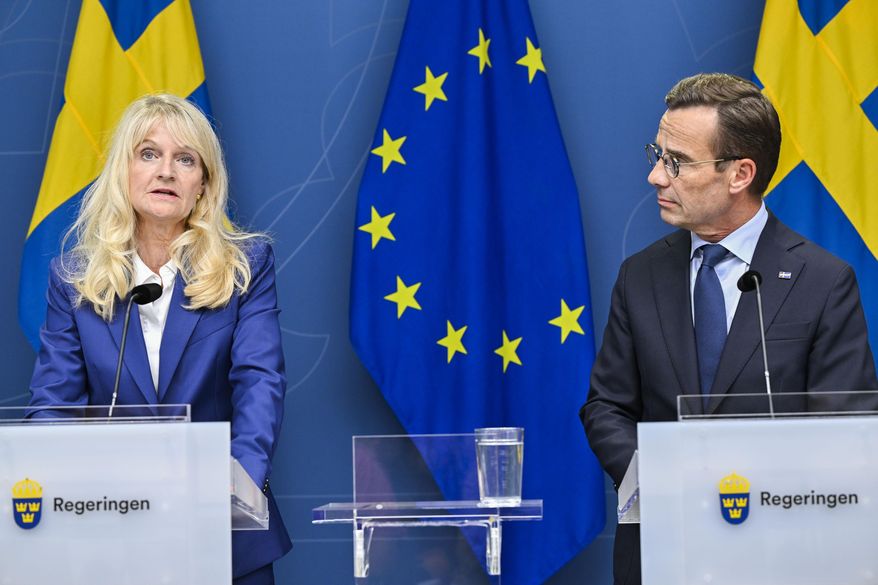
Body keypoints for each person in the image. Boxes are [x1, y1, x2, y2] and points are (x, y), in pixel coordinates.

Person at [581, 73, 878, 585]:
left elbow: (845, 429)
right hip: (662, 550)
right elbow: (607, 406)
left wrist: (749, 490)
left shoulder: (823, 282)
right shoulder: (641, 275)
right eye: (657, 153)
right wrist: (664, 483)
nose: (656, 176)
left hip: (782, 555)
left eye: (677, 162)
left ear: (740, 174)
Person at [28, 93, 292, 584]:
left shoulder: (244, 267)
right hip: (111, 534)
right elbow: (52, 405)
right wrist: (49, 485)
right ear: (123, 172)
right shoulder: (73, 279)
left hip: (223, 531)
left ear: (203, 186)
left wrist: (236, 491)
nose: (166, 171)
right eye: (148, 153)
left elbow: (260, 384)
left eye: (184, 159)